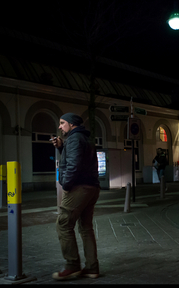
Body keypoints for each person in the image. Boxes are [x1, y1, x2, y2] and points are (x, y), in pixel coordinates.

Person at [51, 113, 100, 281]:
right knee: (86, 227)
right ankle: (92, 268)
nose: (60, 127)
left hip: (79, 187)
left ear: (71, 124)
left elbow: (74, 164)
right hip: (92, 186)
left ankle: (72, 266)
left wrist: (66, 185)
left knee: (63, 224)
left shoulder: (74, 139)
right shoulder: (84, 138)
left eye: (62, 123)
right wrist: (60, 147)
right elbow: (79, 159)